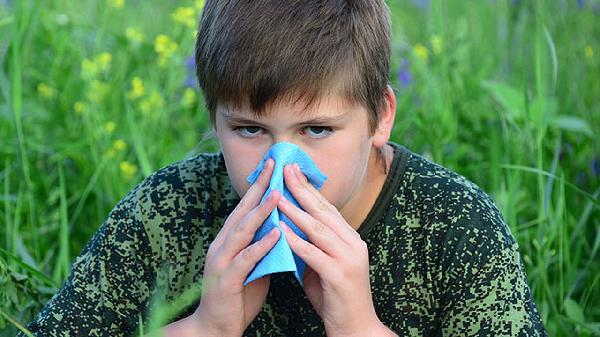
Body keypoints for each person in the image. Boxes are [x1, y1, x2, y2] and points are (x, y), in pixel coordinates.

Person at [20, 1, 548, 336]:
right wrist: (204, 329)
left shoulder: (456, 224)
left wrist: (361, 330)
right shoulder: (167, 211)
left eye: (317, 130)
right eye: (250, 130)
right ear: (215, 119)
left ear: (380, 117)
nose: (280, 165)